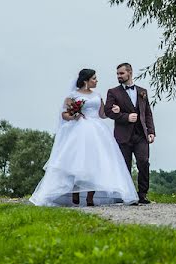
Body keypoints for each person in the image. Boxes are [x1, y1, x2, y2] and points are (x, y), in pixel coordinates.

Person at [30, 69, 138, 207]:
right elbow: (64, 115)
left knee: (95, 162)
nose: (96, 80)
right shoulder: (72, 96)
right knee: (76, 161)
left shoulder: (97, 95)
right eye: (94, 78)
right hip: (78, 130)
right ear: (86, 81)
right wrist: (74, 116)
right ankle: (74, 192)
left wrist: (114, 110)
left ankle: (90, 197)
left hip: (97, 130)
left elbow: (102, 114)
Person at [105, 62, 156, 204]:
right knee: (124, 166)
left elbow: (147, 113)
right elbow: (107, 111)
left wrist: (151, 131)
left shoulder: (142, 91)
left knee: (144, 162)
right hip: (123, 135)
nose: (118, 76)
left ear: (130, 73)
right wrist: (125, 117)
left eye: (121, 73)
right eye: (117, 74)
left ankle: (143, 194)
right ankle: (128, 195)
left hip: (141, 135)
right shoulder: (113, 92)